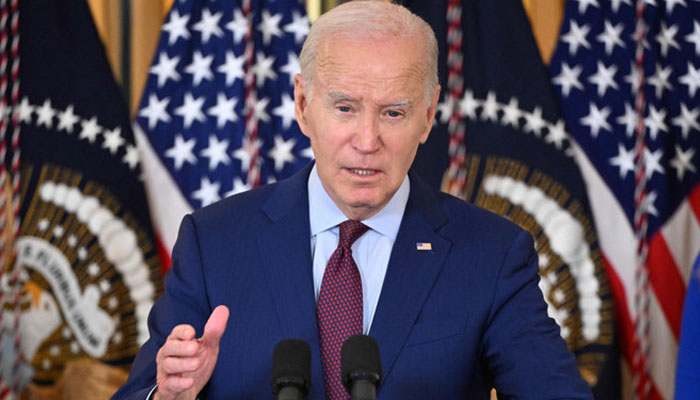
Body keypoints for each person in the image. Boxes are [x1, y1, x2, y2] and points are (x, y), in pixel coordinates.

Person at [113, 1, 592, 399]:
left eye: (393, 113)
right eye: (345, 108)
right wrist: (170, 395)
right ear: (303, 105)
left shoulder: (490, 255)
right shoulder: (216, 242)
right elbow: (141, 392)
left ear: (427, 117)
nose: (367, 139)